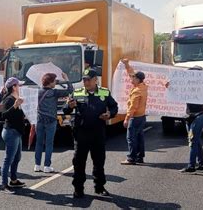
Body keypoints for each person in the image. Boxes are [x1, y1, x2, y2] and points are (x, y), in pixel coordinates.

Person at [63, 69, 118, 198]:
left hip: (98, 132)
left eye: (88, 79)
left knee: (99, 161)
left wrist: (109, 114)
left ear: (95, 80)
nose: (86, 82)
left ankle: (99, 187)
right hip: (81, 133)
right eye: (84, 80)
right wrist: (70, 106)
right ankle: (78, 188)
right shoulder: (76, 93)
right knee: (79, 162)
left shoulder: (104, 92)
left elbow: (114, 107)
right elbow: (65, 109)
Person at [165, 66, 203, 173]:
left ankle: (191, 166)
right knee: (196, 141)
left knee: (193, 141)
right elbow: (176, 92)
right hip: (189, 117)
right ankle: (202, 164)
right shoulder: (187, 85)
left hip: (199, 117)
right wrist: (169, 86)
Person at [34, 72, 73, 173]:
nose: (56, 82)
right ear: (50, 82)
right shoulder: (54, 92)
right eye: (54, 81)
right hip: (51, 120)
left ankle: (37, 165)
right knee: (49, 144)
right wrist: (67, 79)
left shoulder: (38, 92)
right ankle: (47, 166)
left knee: (39, 143)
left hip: (40, 119)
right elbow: (69, 90)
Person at [119, 59, 148, 165]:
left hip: (135, 118)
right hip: (142, 117)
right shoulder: (143, 86)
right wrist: (127, 65)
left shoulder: (137, 91)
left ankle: (131, 158)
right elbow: (132, 73)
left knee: (131, 138)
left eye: (134, 77)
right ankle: (140, 157)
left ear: (138, 80)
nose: (131, 78)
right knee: (140, 137)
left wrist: (127, 119)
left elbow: (132, 107)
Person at [0, 77, 27, 193]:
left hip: (17, 132)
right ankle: (4, 184)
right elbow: (3, 115)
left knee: (17, 157)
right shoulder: (9, 99)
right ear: (14, 87)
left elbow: (18, 115)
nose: (20, 87)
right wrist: (15, 106)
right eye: (18, 85)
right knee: (8, 159)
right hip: (11, 132)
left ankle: (14, 180)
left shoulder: (17, 98)